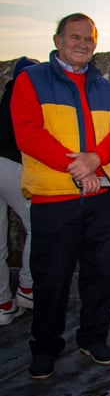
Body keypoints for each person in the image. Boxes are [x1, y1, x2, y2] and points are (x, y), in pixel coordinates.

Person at [11, 13, 110, 379]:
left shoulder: (103, 86)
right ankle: (45, 347)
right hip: (55, 196)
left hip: (101, 197)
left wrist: (95, 159)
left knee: (99, 275)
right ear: (58, 40)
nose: (82, 44)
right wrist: (77, 167)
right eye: (75, 37)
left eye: (89, 39)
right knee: (52, 279)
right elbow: (28, 133)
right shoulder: (31, 80)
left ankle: (93, 338)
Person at [0, 57, 37, 326]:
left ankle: (3, 304)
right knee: (38, 224)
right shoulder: (27, 96)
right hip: (11, 165)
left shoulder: (5, 96)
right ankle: (27, 288)